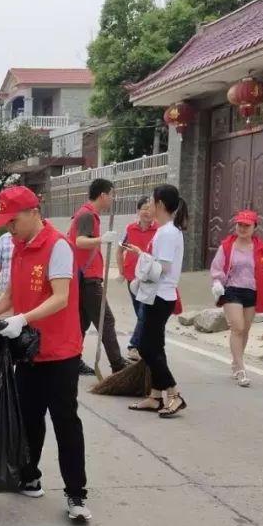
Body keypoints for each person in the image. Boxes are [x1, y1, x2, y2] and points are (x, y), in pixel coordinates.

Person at [0, 186, 90, 521]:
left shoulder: (57, 246)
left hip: (60, 351)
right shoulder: (17, 247)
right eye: (6, 222)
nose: (10, 227)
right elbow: (10, 294)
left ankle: (76, 494)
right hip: (27, 351)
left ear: (33, 213)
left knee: (65, 422)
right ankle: (29, 475)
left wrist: (23, 318)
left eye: (13, 220)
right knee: (28, 419)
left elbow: (61, 297)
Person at [210, 210, 263, 387]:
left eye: (246, 225)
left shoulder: (262, 248)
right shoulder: (227, 246)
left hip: (252, 292)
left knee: (245, 330)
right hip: (232, 290)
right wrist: (217, 283)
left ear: (254, 227)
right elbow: (217, 268)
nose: (242, 228)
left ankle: (235, 362)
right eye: (239, 224)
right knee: (237, 328)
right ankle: (241, 370)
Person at [125, 184, 188, 418]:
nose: (148, 206)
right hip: (158, 295)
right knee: (155, 346)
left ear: (160, 204)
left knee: (146, 347)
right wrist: (142, 256)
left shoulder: (168, 232)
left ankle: (174, 393)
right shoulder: (166, 231)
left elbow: (163, 268)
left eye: (151, 201)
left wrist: (141, 260)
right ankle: (154, 396)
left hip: (159, 296)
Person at [69, 178, 126, 375]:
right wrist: (103, 239)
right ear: (103, 195)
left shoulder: (88, 213)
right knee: (106, 320)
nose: (112, 199)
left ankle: (72, 360)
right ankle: (118, 364)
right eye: (111, 195)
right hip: (87, 279)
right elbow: (79, 241)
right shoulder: (87, 215)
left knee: (82, 323)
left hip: (83, 278)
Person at [118, 198, 157, 362]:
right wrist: (121, 272)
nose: (147, 212)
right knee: (141, 314)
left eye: (150, 208)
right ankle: (145, 345)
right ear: (138, 211)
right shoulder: (129, 229)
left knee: (144, 314)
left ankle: (133, 346)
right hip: (132, 278)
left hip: (149, 279)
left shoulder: (158, 230)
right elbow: (119, 250)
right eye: (144, 208)